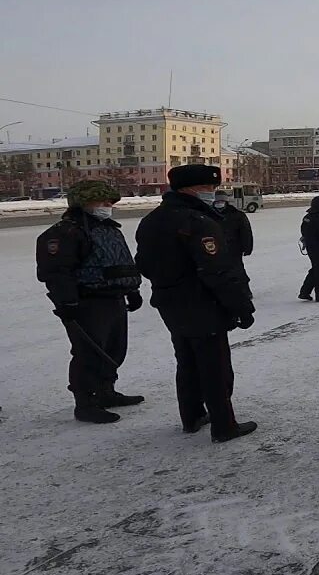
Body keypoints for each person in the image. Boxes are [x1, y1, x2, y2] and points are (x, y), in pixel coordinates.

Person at [135, 164, 258, 443]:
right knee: (215, 367)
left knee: (187, 361)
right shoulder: (199, 222)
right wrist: (241, 306)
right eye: (209, 188)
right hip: (203, 303)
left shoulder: (152, 219)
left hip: (170, 302)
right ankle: (224, 426)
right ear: (194, 188)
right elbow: (217, 271)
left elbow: (143, 263)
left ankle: (191, 417)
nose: (213, 193)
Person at [35, 179, 145, 423]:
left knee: (114, 349)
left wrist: (132, 290)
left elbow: (120, 261)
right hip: (87, 301)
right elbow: (57, 271)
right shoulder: (66, 233)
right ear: (83, 202)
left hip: (112, 298)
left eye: (111, 201)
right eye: (102, 201)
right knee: (89, 352)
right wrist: (67, 303)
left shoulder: (108, 228)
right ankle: (85, 402)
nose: (108, 205)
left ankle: (106, 391)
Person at [212, 190, 254, 287]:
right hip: (215, 249)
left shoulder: (237, 214)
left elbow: (246, 232)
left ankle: (244, 290)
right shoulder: (209, 214)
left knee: (237, 270)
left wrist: (247, 247)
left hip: (233, 248)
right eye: (217, 201)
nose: (219, 203)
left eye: (221, 201)